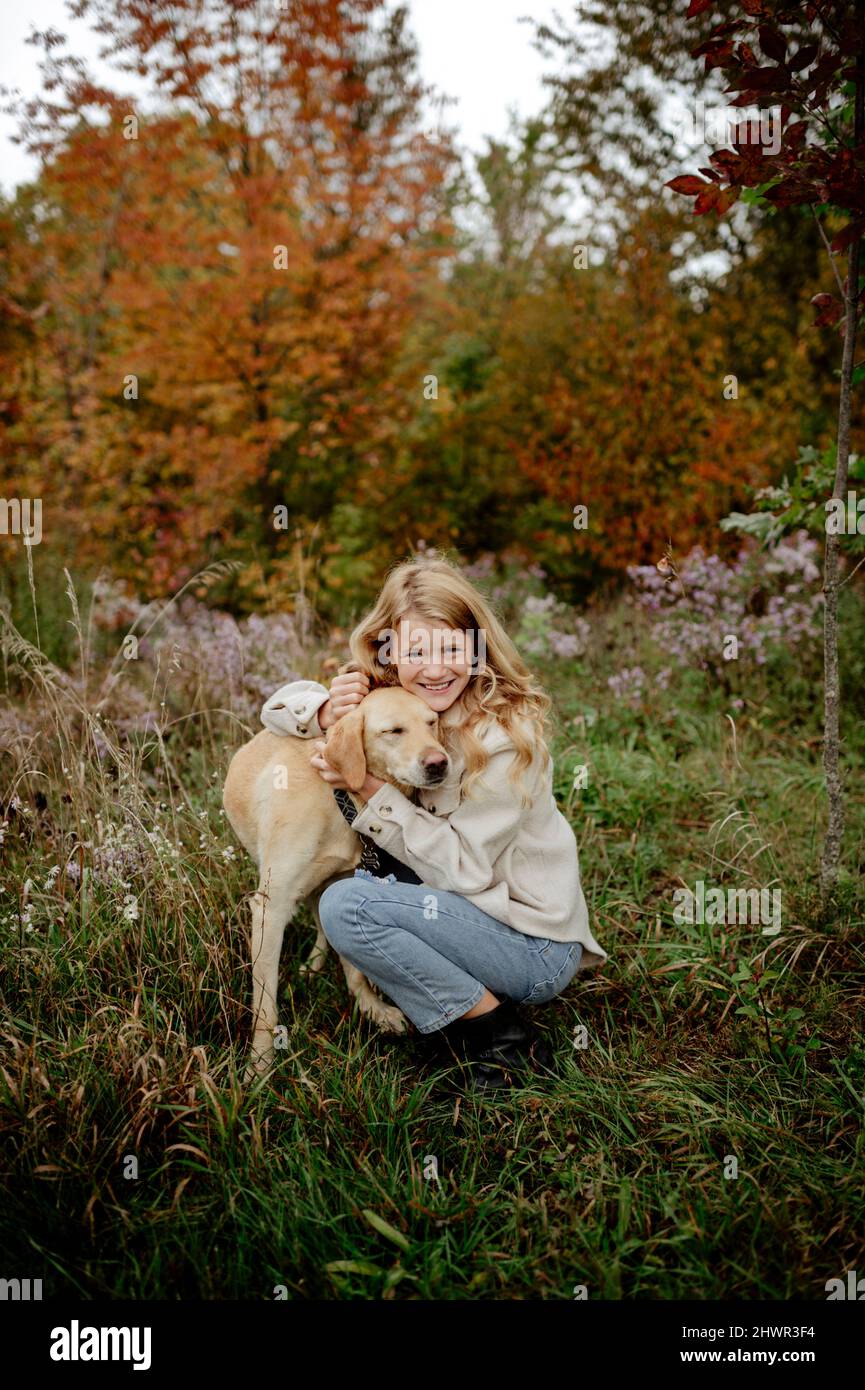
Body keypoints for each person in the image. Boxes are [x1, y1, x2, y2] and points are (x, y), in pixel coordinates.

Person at [260, 554, 607, 1091]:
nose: (436, 666)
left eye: (452, 648)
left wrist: (371, 792)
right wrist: (327, 710)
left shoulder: (503, 738)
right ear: (389, 650)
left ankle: (502, 1038)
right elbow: (276, 708)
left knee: (346, 905)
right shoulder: (398, 702)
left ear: (477, 648)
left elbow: (465, 870)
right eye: (417, 650)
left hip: (532, 945)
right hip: (468, 919)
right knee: (369, 888)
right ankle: (451, 1020)